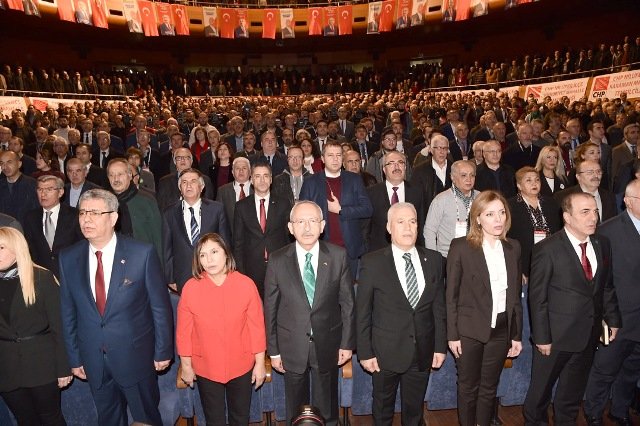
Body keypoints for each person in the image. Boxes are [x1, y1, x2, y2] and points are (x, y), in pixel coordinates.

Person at [59, 189, 173, 426]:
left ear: (113, 218)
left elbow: (160, 308)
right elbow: (68, 313)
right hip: (93, 360)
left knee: (147, 418)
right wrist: (74, 356)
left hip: (136, 356)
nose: (86, 219)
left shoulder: (141, 253)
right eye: (82, 213)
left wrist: (163, 351)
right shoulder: (68, 258)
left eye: (94, 213)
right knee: (108, 419)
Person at [523, 192, 622, 425]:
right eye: (585, 212)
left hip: (588, 335)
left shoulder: (602, 243)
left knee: (571, 397)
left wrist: (613, 319)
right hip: (554, 339)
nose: (593, 217)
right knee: (539, 397)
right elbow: (537, 298)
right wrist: (542, 337)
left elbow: (606, 286)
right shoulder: (547, 249)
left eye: (595, 210)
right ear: (567, 217)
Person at [264, 200, 355, 426]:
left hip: (328, 343)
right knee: (295, 409)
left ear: (322, 225)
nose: (306, 227)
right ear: (290, 227)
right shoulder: (277, 260)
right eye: (300, 221)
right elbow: (270, 308)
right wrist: (273, 351)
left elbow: (348, 304)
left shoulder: (338, 256)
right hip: (291, 345)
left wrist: (346, 344)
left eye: (313, 221)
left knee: (328, 409)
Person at [356, 202, 446, 425]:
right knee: (383, 411)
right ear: (389, 227)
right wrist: (365, 352)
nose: (408, 228)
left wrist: (439, 346)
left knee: (414, 413)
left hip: (422, 352)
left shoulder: (434, 260)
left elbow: (439, 307)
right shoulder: (372, 262)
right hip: (384, 354)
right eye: (401, 222)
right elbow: (363, 312)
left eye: (413, 222)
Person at [447, 190, 523, 426]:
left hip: (501, 328)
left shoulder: (513, 248)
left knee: (489, 387)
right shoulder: (461, 247)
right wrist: (453, 335)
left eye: (501, 212)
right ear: (478, 218)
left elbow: (514, 297)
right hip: (469, 328)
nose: (498, 219)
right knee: (469, 387)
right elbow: (451, 295)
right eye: (490, 214)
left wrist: (516, 334)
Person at [177, 233, 266, 425]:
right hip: (206, 365)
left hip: (241, 364)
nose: (209, 260)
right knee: (214, 419)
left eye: (214, 252)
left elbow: (257, 328)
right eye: (202, 255)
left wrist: (259, 363)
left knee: (240, 418)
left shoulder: (246, 284)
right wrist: (185, 366)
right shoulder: (191, 288)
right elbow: (184, 332)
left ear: (226, 253)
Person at [0, 227, 71, 426]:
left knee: (51, 419)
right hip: (6, 369)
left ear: (17, 249)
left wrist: (63, 367)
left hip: (42, 364)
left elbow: (60, 325)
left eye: (1, 247)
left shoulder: (42, 278)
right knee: (25, 420)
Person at [583, 179, 640, 426]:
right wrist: (607, 315)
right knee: (604, 370)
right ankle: (594, 413)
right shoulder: (608, 231)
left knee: (631, 370)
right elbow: (600, 280)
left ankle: (620, 410)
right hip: (618, 316)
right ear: (627, 201)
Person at [299, 141, 373, 278]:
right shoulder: (310, 182)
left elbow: (368, 209)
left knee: (349, 294)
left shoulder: (354, 180)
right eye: (330, 155)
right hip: (321, 248)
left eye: (338, 155)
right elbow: (301, 215)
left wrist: (341, 210)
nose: (335, 159)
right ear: (322, 158)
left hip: (349, 249)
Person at [162, 168, 230, 293]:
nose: (188, 185)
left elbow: (225, 243)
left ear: (201, 186)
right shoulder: (169, 213)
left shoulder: (217, 209)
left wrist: (225, 271)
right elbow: (167, 248)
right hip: (182, 277)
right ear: (180, 188)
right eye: (184, 182)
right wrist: (170, 278)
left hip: (213, 273)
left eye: (193, 181)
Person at [233, 164, 290, 298]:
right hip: (251, 268)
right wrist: (241, 273)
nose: (262, 180)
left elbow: (289, 239)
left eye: (265, 176)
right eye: (257, 176)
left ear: (271, 179)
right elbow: (238, 242)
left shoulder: (283, 203)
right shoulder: (241, 206)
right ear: (251, 180)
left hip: (279, 266)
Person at [507, 167, 561, 283]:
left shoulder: (551, 202)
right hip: (526, 262)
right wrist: (517, 269)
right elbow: (507, 241)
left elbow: (559, 232)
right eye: (528, 180)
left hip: (552, 260)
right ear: (519, 185)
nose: (534, 183)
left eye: (537, 180)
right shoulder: (510, 206)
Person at [23, 175, 84, 278]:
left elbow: (83, 246)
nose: (43, 194)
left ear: (60, 192)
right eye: (40, 189)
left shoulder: (75, 215)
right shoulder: (30, 217)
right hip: (41, 277)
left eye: (49, 189)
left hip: (71, 273)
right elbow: (29, 248)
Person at [366, 151, 425, 252]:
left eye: (400, 162)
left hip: (410, 250)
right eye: (391, 163)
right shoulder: (371, 193)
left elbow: (421, 224)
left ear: (405, 167)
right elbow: (366, 228)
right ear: (384, 169)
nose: (396, 166)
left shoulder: (417, 192)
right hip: (379, 252)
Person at [424, 160, 480, 259]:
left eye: (472, 175)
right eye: (463, 175)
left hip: (476, 255)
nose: (469, 179)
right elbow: (429, 231)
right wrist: (434, 259)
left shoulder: (480, 198)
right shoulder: (441, 200)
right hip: (448, 257)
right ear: (452, 177)